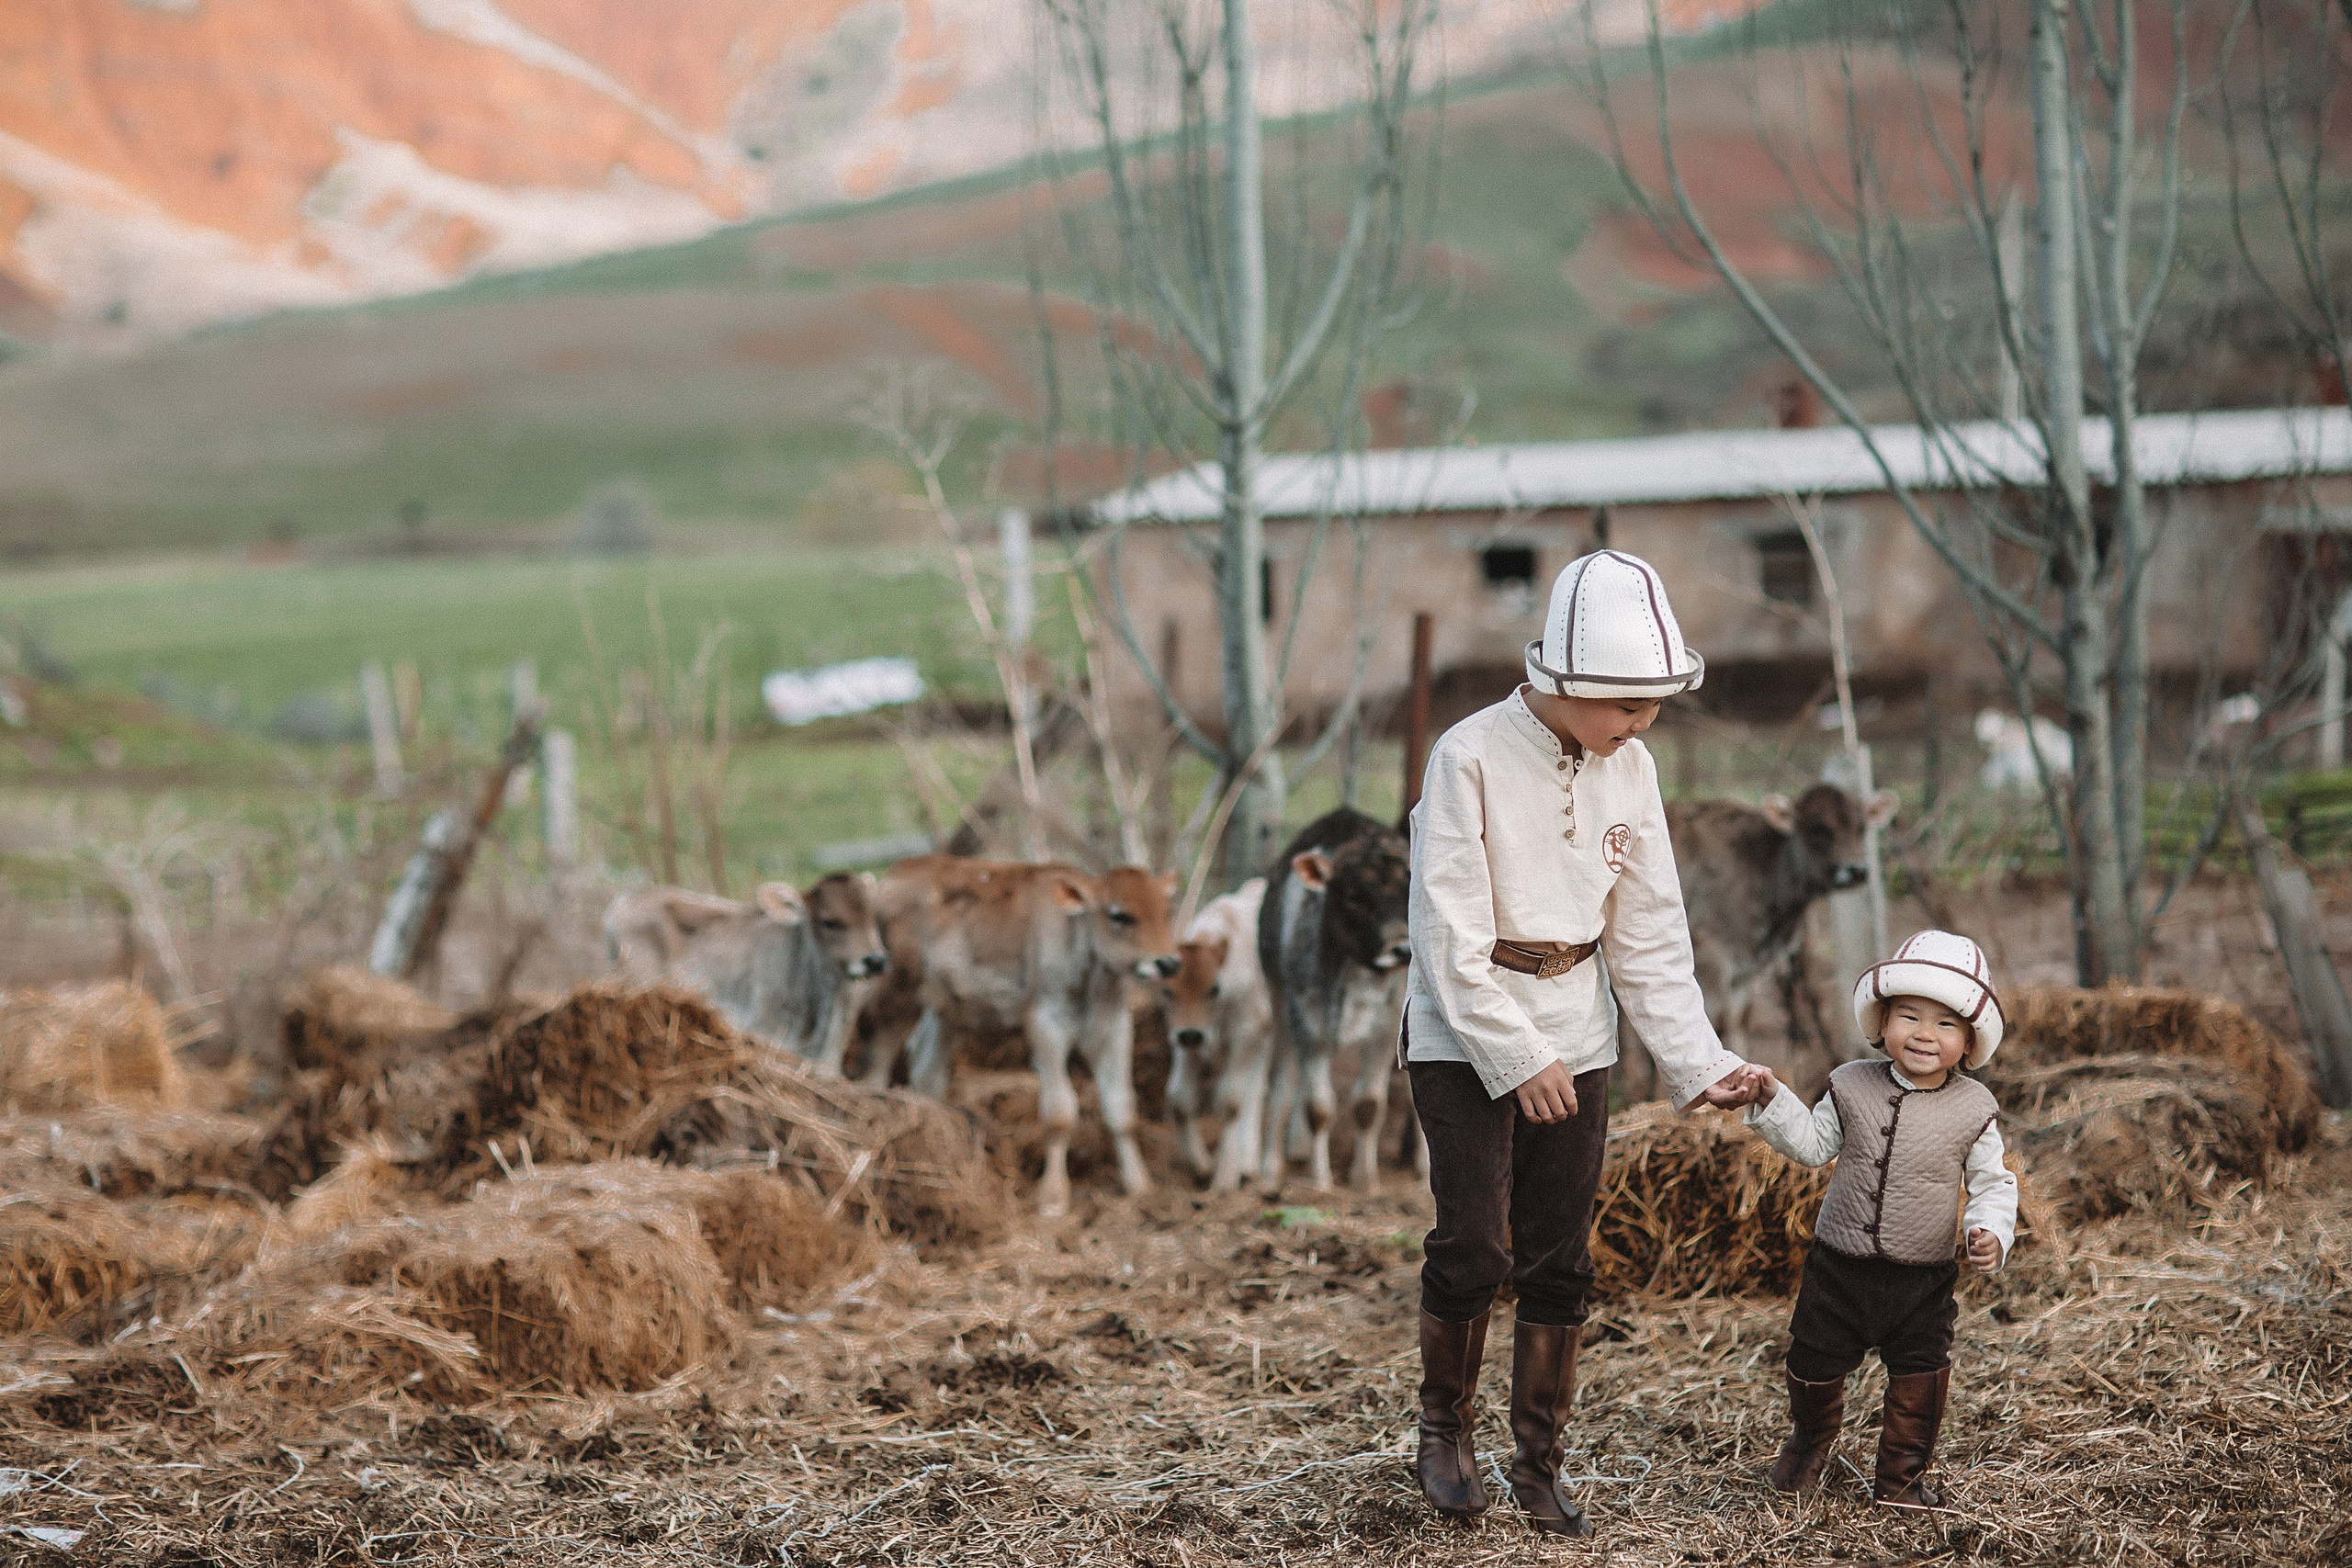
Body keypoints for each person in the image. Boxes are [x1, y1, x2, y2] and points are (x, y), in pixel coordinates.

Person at [1405, 549, 1754, 1537]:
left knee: (1560, 1258)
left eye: (1651, 704)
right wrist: (1517, 1059)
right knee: (1476, 1242)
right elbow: (1443, 935)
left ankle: (1537, 1460)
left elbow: (1647, 937)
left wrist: (1702, 1063)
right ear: (1557, 684)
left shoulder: (1630, 769)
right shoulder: (1468, 756)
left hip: (1580, 1025)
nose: (1639, 723)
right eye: (1622, 704)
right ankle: (1444, 1434)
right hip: (1462, 1026)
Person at [1737, 929, 2018, 1510]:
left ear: (1969, 1044)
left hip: (1922, 1277)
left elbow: (1992, 1183)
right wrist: (1771, 1099)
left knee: (1920, 1373)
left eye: (1945, 1024)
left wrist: (1988, 1230)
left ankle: (1901, 1478)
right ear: (1882, 1023)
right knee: (1811, 1360)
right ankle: (1810, 1442)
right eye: (1908, 1016)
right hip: (1838, 1266)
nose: (1923, 1034)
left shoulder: (1975, 1109)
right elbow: (1814, 1145)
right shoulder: (1849, 1085)